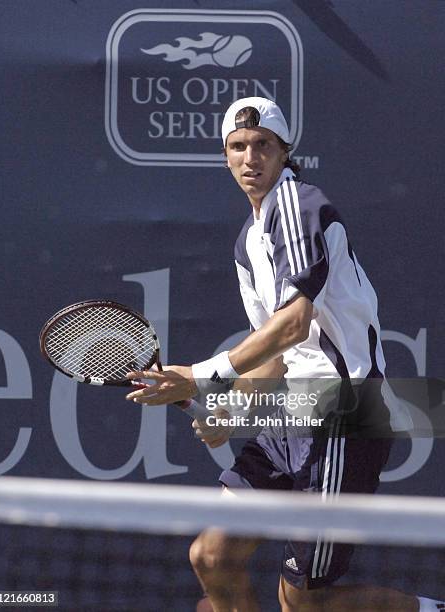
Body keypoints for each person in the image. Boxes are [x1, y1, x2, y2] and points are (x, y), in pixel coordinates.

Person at [126, 98, 443, 612]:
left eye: (262, 146)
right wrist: (227, 408)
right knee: (212, 558)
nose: (251, 158)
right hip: (291, 415)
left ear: (283, 152)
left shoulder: (299, 205)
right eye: (238, 147)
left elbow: (294, 319)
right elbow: (276, 352)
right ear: (224, 157)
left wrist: (205, 376)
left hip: (345, 415)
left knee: (302, 603)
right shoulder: (248, 241)